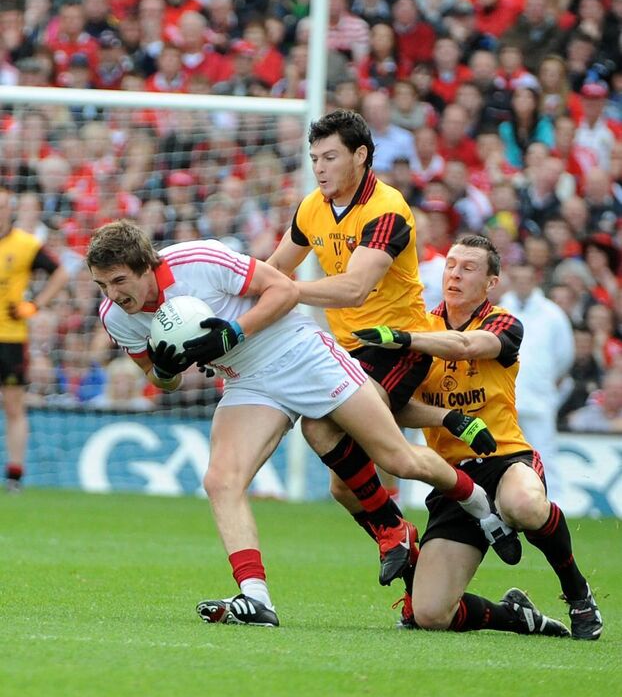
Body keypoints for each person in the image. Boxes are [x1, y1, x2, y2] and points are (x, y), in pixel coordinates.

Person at [87, 221, 512, 628]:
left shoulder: (198, 260)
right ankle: (256, 597)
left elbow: (284, 290)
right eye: (102, 285)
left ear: (147, 265)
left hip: (299, 352)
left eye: (119, 281)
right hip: (248, 382)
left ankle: (478, 504)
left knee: (397, 459)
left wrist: (231, 333)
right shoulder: (116, 316)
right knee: (221, 480)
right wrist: (164, 366)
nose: (112, 294)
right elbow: (163, 381)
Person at [267, 109, 515, 583]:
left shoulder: (387, 208)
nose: (318, 167)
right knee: (344, 488)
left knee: (340, 436)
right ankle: (404, 539)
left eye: (330, 157)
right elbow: (275, 268)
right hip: (346, 351)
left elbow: (355, 288)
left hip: (398, 345)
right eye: (314, 157)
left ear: (360, 156)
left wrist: (291, 292)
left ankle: (472, 505)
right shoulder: (310, 208)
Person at [354, 234, 603, 640]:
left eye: (468, 268)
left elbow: (468, 346)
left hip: (506, 460)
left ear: (490, 282)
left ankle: (577, 592)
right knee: (431, 613)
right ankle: (517, 617)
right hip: (453, 479)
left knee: (523, 504)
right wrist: (447, 417)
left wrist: (404, 339)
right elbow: (392, 407)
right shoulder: (421, 328)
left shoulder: (502, 322)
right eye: (451, 265)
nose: (455, 274)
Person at [0, 185, 69, 492]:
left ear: (10, 210)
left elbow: (60, 272)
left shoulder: (26, 245)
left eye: (3, 206)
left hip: (11, 337)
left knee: (14, 406)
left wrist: (34, 305)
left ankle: (15, 475)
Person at [500, 262, 575, 505]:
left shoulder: (552, 314)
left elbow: (565, 355)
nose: (522, 284)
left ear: (535, 280)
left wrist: (544, 379)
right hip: (505, 395)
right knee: (502, 454)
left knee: (544, 453)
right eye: (518, 279)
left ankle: (555, 503)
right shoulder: (500, 309)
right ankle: (503, 502)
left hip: (539, 396)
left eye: (527, 279)